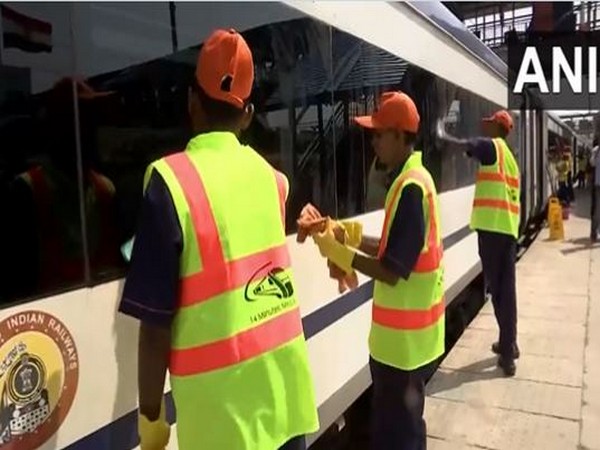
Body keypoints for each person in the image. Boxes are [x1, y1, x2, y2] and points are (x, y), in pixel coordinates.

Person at [118, 28, 319, 450]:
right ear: (247, 114)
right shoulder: (272, 180)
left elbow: (154, 329)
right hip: (285, 404)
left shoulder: (170, 183)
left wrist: (151, 419)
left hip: (222, 426)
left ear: (192, 102)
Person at [309, 91, 445, 450]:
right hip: (403, 346)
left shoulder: (412, 187)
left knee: (397, 438)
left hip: (403, 349)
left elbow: (392, 269)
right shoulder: (408, 181)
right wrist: (348, 233)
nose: (374, 142)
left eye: (380, 134)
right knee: (404, 431)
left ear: (401, 136)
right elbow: (395, 246)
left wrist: (338, 251)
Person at [436, 110, 520, 376]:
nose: (486, 128)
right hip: (506, 230)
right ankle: (510, 343)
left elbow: (467, 145)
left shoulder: (492, 146)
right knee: (506, 291)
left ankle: (507, 355)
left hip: (493, 231)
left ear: (498, 127)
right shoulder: (510, 159)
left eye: (490, 124)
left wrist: (441, 134)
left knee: (499, 292)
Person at [589, 140, 600, 241]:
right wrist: (596, 153)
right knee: (597, 211)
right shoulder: (596, 150)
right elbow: (592, 163)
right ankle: (594, 233)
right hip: (598, 185)